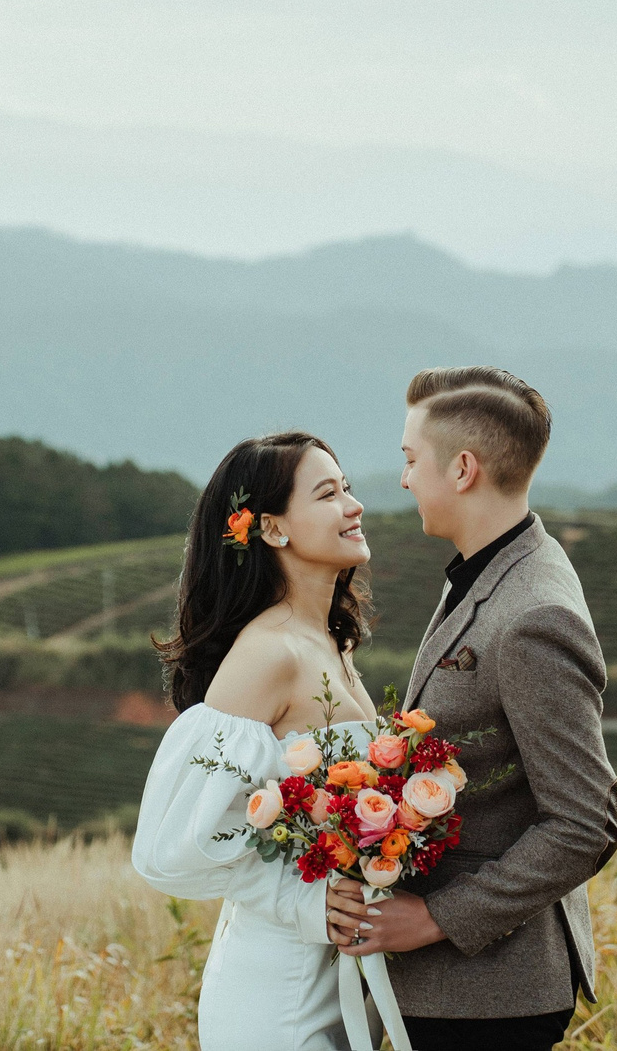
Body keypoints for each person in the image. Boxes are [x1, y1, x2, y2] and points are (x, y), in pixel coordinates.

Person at [329, 366, 617, 1051]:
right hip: (452, 991)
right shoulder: (492, 566)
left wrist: (434, 919)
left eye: (409, 460)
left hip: (490, 998)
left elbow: (585, 823)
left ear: (462, 468)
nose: (402, 480)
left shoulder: (533, 615)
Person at [134, 430, 379, 1051]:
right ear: (272, 529)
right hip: (278, 988)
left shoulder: (332, 644)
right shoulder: (268, 653)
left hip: (344, 973)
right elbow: (168, 847)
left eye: (347, 488)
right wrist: (299, 898)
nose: (353, 505)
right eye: (328, 494)